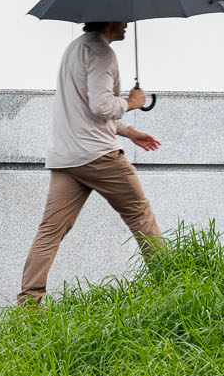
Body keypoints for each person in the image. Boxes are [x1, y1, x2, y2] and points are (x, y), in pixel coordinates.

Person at [17, 19, 164, 303]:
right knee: (140, 214)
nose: (127, 25)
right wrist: (133, 103)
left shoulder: (75, 49)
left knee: (50, 230)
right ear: (110, 19)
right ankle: (174, 285)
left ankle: (29, 304)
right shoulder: (101, 53)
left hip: (66, 157)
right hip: (99, 155)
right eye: (124, 19)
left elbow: (87, 111)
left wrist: (131, 132)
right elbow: (101, 106)